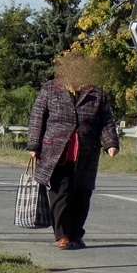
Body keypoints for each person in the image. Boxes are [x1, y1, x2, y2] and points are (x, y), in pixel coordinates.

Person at [26, 52, 119, 249]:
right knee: (61, 193)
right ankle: (62, 235)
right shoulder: (50, 88)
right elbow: (37, 117)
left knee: (82, 194)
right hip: (57, 152)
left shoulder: (97, 93)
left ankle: (76, 234)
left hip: (86, 152)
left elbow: (106, 121)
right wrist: (34, 145)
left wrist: (111, 143)